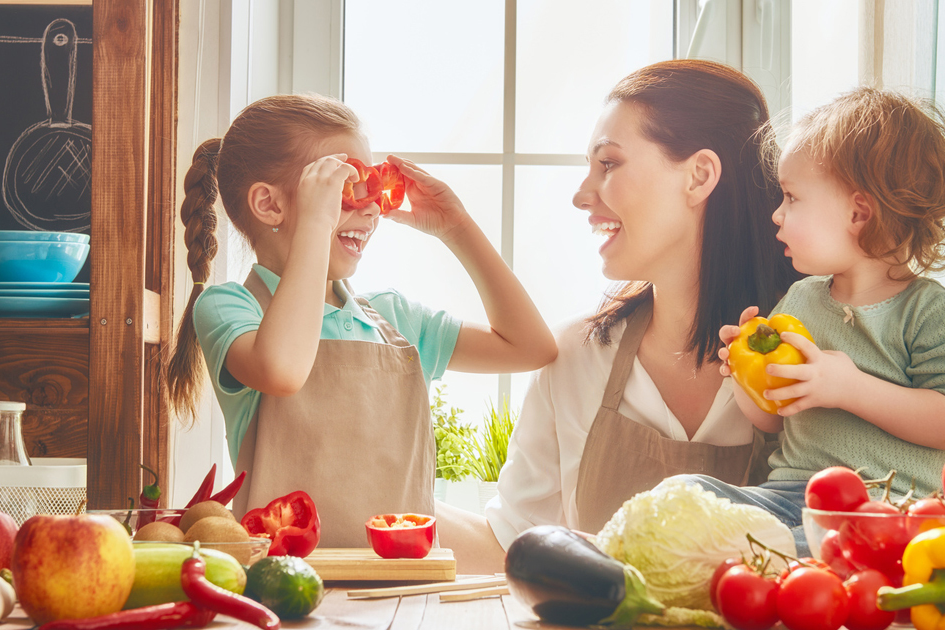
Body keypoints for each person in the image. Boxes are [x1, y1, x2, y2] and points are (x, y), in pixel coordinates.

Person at [437, 60, 801, 571]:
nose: (581, 195)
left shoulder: (812, 356)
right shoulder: (572, 357)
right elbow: (511, 545)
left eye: (608, 164)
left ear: (699, 176)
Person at [164, 94, 557, 547]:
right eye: (346, 189)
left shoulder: (393, 319)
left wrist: (457, 227)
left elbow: (531, 347)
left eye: (375, 187)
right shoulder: (229, 307)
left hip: (402, 580)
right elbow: (283, 370)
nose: (371, 209)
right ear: (270, 205)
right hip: (289, 583)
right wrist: (316, 221)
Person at [694, 87, 945, 551]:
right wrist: (743, 373)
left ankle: (762, 564)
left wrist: (851, 387)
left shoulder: (929, 311)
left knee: (800, 548)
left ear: (858, 212)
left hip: (891, 509)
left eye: (791, 197)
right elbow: (771, 421)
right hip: (794, 495)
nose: (777, 213)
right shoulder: (800, 300)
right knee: (690, 493)